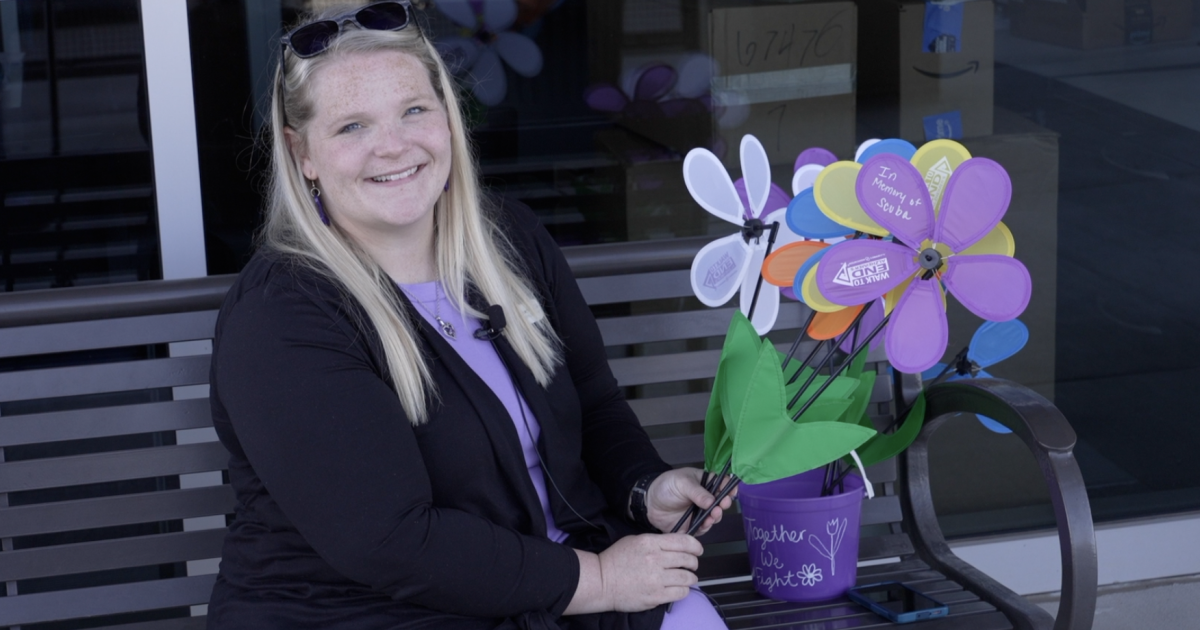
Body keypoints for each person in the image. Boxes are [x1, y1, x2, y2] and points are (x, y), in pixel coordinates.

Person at [206, 3, 733, 628]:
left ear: (448, 118)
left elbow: (592, 403)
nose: (393, 145)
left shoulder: (507, 239)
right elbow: (391, 542)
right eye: (351, 127)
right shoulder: (283, 316)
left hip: (554, 583)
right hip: (368, 611)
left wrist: (644, 488)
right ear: (303, 154)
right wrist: (599, 579)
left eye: (414, 110)